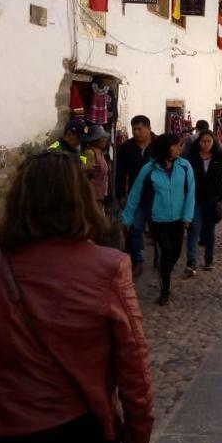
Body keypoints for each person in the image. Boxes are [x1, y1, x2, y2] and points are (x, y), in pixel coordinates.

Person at [0, 151, 153, 443]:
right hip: (72, 439)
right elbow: (134, 367)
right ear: (81, 198)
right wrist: (136, 442)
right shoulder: (106, 267)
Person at [123, 134, 195, 305]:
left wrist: (187, 216)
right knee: (166, 251)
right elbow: (135, 194)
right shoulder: (149, 169)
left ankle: (164, 272)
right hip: (157, 219)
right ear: (165, 148)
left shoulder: (185, 167)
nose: (179, 148)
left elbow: (190, 193)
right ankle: (165, 289)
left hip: (178, 219)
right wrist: (127, 218)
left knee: (176, 253)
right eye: (176, 145)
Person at [186, 130, 222, 274]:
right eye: (203, 141)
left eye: (208, 141)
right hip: (195, 199)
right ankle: (191, 262)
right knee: (194, 229)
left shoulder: (220, 157)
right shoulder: (191, 158)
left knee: (209, 230)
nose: (205, 144)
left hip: (212, 200)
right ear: (198, 142)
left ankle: (209, 258)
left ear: (213, 142)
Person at [115, 115, 155, 277]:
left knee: (157, 228)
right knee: (135, 228)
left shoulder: (159, 145)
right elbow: (120, 173)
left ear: (148, 128)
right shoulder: (126, 148)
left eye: (140, 129)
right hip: (135, 195)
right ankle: (137, 260)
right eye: (134, 129)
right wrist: (121, 195)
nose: (137, 132)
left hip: (156, 195)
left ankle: (160, 255)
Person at [83, 125, 109, 212]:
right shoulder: (89, 153)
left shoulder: (101, 153)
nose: (105, 140)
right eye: (102, 138)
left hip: (100, 195)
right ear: (95, 140)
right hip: (91, 196)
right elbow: (82, 172)